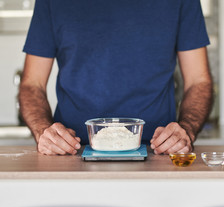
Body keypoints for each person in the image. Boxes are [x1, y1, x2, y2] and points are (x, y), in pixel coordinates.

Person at [19, 0, 213, 156]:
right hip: (70, 153)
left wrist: (186, 130)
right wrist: (43, 131)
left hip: (158, 153)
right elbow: (32, 84)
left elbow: (199, 81)